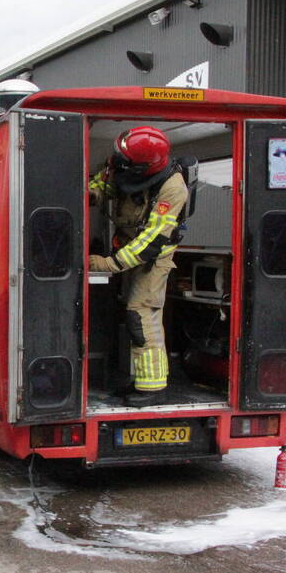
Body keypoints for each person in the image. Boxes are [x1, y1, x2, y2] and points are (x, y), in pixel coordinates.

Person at [88, 126, 189, 406]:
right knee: (131, 314)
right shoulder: (128, 167)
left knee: (141, 314)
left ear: (143, 166)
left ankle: (153, 389)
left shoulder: (172, 188)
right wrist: (89, 194)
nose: (117, 161)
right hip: (128, 247)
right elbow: (105, 182)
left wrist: (109, 264)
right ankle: (140, 381)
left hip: (153, 258)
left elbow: (151, 242)